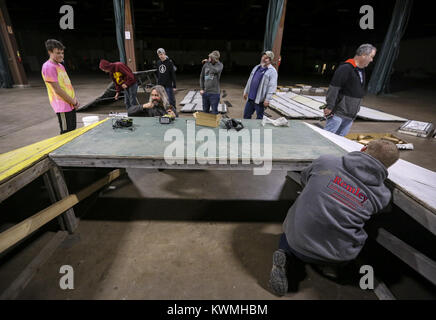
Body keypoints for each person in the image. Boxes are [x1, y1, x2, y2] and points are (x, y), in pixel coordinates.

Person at [269, 139, 399, 296]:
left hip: (298, 245)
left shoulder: (327, 162)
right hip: (340, 256)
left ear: (363, 148)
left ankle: (285, 254)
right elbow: (376, 213)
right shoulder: (383, 195)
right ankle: (328, 265)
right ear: (388, 166)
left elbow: (305, 180)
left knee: (290, 230)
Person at [323, 44, 377, 136]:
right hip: (338, 114)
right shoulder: (345, 68)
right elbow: (334, 89)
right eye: (371, 57)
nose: (372, 60)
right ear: (363, 55)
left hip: (350, 115)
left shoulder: (361, 70)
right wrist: (329, 106)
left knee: (340, 141)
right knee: (327, 138)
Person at [41, 39, 79, 134]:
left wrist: (74, 100)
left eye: (62, 53)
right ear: (50, 52)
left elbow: (67, 85)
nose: (61, 55)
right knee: (66, 134)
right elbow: (57, 90)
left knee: (73, 131)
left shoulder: (60, 66)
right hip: (62, 105)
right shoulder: (48, 67)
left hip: (70, 103)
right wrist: (73, 101)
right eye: (58, 53)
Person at [243, 51, 278, 119]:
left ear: (270, 60)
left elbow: (272, 86)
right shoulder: (257, 67)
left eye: (266, 58)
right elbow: (250, 80)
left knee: (259, 119)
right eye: (263, 57)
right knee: (246, 116)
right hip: (250, 98)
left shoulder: (272, 71)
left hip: (260, 100)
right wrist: (246, 92)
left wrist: (267, 99)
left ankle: (258, 130)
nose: (263, 59)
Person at [199, 50, 223, 114]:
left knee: (214, 112)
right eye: (210, 57)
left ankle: (214, 124)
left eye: (211, 58)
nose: (210, 59)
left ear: (215, 59)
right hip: (205, 93)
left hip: (214, 94)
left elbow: (214, 70)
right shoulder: (206, 65)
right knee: (205, 112)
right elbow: (202, 77)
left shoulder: (220, 65)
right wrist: (201, 88)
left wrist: (208, 62)